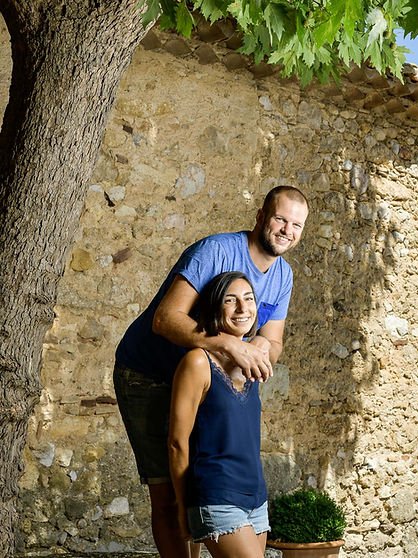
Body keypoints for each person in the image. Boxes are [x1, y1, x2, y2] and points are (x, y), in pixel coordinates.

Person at [113, 186, 309, 558]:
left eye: (296, 225)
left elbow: (273, 341)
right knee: (170, 492)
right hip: (149, 374)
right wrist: (229, 343)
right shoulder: (216, 251)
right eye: (281, 219)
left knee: (207, 485)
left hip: (209, 381)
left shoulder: (283, 276)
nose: (287, 230)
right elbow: (165, 319)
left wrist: (263, 346)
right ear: (261, 216)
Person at [168, 271, 269, 558]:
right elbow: (177, 443)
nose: (243, 308)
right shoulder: (197, 361)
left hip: (256, 497)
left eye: (249, 299)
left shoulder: (253, 360)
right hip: (217, 496)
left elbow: (272, 342)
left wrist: (261, 343)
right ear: (214, 307)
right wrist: (182, 506)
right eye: (231, 300)